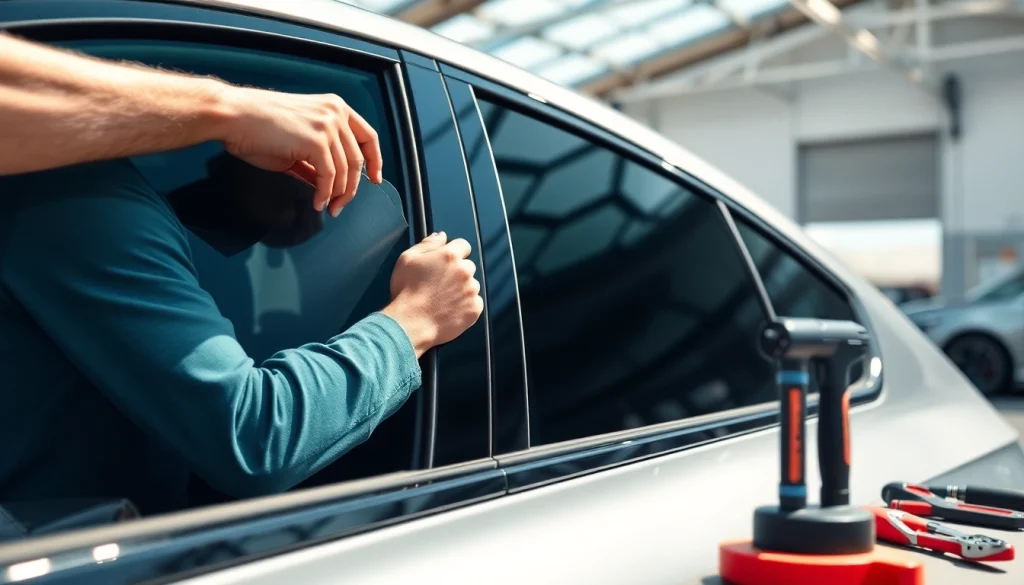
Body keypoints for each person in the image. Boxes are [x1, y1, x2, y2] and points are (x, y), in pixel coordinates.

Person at [0, 33, 483, 514]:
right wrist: (416, 319)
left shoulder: (89, 208)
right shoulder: (79, 201)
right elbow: (254, 434)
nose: (321, 182)